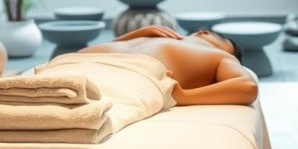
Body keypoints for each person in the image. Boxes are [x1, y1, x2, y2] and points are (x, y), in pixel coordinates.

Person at [80, 25, 257, 105]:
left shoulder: (220, 55)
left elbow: (247, 88)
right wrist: (138, 33)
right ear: (203, 32)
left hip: (75, 62)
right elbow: (247, 86)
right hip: (115, 73)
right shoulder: (162, 34)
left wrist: (183, 96)